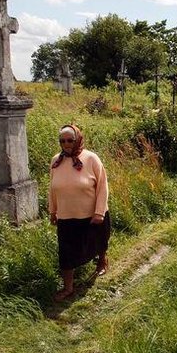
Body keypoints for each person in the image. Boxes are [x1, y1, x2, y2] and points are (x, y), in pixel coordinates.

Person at [48, 124, 110, 301]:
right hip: (66, 216)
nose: (66, 144)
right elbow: (52, 188)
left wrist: (99, 212)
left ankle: (102, 261)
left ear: (78, 139)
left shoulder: (91, 159)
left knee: (98, 241)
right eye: (62, 141)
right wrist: (53, 210)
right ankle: (68, 288)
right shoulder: (55, 161)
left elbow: (102, 186)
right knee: (66, 253)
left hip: (91, 215)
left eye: (70, 140)